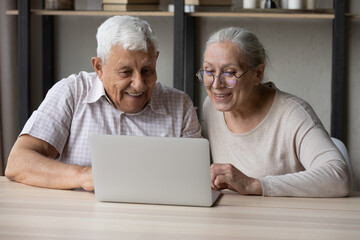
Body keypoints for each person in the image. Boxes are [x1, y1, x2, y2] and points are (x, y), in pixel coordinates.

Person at [5, 16, 201, 191]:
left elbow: (195, 182)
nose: (139, 84)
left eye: (147, 71)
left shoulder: (180, 105)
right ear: (99, 67)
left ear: (155, 60)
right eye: (125, 72)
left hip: (153, 224)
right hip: (78, 222)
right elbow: (18, 162)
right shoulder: (71, 93)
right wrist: (84, 176)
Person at [197, 27, 350, 197]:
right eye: (209, 71)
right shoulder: (212, 107)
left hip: (285, 219)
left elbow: (339, 177)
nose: (216, 84)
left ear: (258, 74)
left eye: (230, 73)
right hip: (235, 217)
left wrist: (254, 185)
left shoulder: (293, 114)